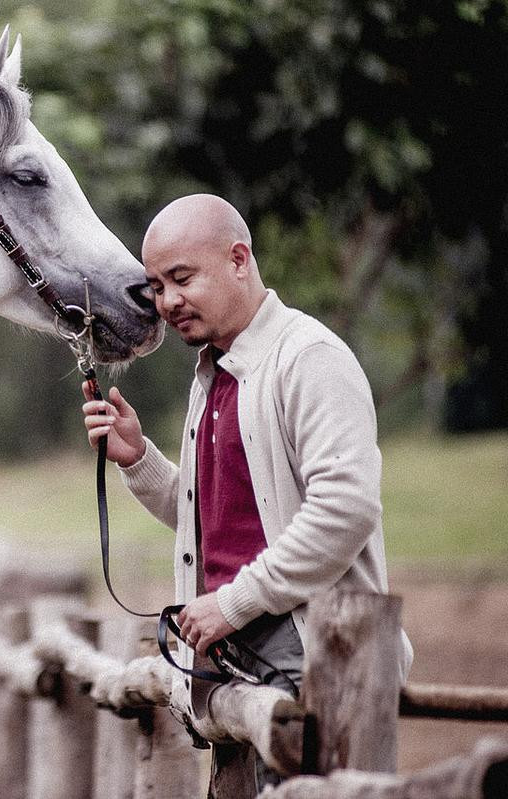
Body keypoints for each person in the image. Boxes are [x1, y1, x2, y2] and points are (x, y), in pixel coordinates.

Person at [82, 193, 412, 790]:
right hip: (237, 650)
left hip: (313, 650)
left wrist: (232, 603)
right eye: (156, 286)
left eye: (182, 278)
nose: (167, 301)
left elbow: (346, 508)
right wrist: (139, 461)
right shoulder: (213, 373)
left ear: (239, 259)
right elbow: (212, 515)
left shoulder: (308, 358)